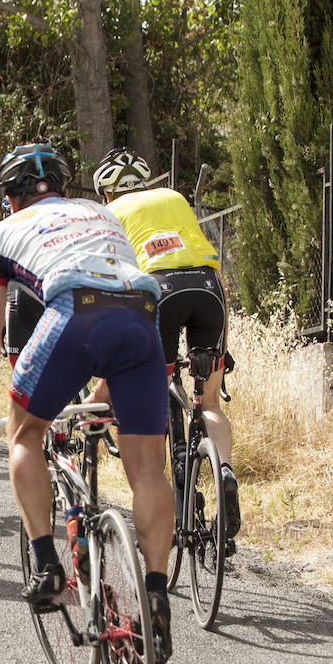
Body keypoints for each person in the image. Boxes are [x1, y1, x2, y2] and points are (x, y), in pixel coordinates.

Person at [0, 142, 176, 664]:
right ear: (66, 187)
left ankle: (47, 563)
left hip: (75, 310)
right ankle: (158, 590)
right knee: (147, 470)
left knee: (25, 434)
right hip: (143, 316)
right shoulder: (104, 212)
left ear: (9, 198)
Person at [96, 148, 239, 539]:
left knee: (151, 397)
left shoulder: (110, 214)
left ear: (106, 194)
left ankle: (162, 490)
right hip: (208, 289)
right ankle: (224, 470)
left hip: (159, 291)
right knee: (208, 402)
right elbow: (207, 259)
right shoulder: (174, 197)